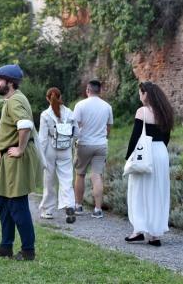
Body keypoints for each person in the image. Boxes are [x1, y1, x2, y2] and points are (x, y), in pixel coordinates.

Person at [0, 64, 40, 261]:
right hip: (8, 158)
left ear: (10, 82)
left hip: (16, 158)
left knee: (17, 204)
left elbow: (24, 125)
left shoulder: (15, 100)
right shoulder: (13, 99)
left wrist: (20, 149)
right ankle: (6, 246)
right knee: (4, 203)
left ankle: (28, 250)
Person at [124, 81, 173, 247]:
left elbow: (135, 137)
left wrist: (128, 158)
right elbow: (166, 137)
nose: (140, 96)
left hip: (145, 152)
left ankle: (138, 230)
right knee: (158, 191)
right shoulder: (164, 112)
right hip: (161, 152)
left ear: (146, 94)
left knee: (138, 191)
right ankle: (154, 234)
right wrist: (159, 151)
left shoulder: (142, 111)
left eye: (141, 93)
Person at [73, 80, 113, 218]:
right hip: (101, 145)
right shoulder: (107, 106)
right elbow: (108, 128)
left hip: (84, 144)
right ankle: (97, 209)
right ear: (100, 91)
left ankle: (78, 206)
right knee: (97, 176)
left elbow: (76, 126)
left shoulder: (80, 105)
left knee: (80, 174)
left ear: (87, 90)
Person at [38, 87, 78, 224]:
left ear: (47, 98)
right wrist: (69, 143)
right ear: (61, 97)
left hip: (50, 147)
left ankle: (48, 210)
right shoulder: (69, 113)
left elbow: (42, 138)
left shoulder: (45, 115)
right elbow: (76, 132)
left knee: (49, 179)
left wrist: (41, 156)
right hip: (65, 148)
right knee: (67, 179)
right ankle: (70, 205)